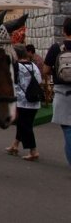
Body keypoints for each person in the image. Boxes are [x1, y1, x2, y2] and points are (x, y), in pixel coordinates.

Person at [5, 44, 41, 161]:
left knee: (25, 126)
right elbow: (39, 80)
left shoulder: (16, 66)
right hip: (34, 101)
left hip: (22, 101)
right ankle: (14, 145)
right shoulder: (33, 66)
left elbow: (12, 83)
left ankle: (33, 151)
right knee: (25, 124)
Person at [43, 16, 71, 167]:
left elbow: (46, 70)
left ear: (64, 30)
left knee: (68, 128)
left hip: (62, 92)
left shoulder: (57, 48)